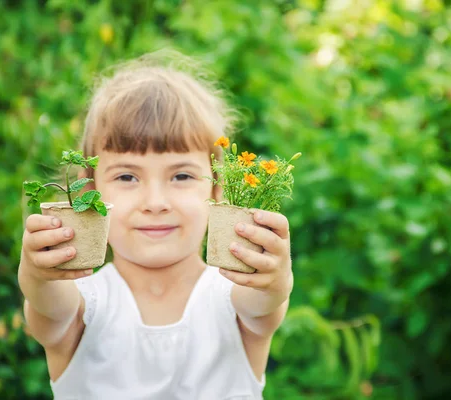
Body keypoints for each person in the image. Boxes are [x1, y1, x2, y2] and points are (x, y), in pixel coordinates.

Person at [18, 51, 294, 399]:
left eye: (181, 175)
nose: (155, 202)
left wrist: (274, 278)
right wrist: (37, 272)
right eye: (127, 176)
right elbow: (46, 302)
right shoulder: (83, 303)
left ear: (217, 189)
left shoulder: (232, 297)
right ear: (89, 192)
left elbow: (263, 301)